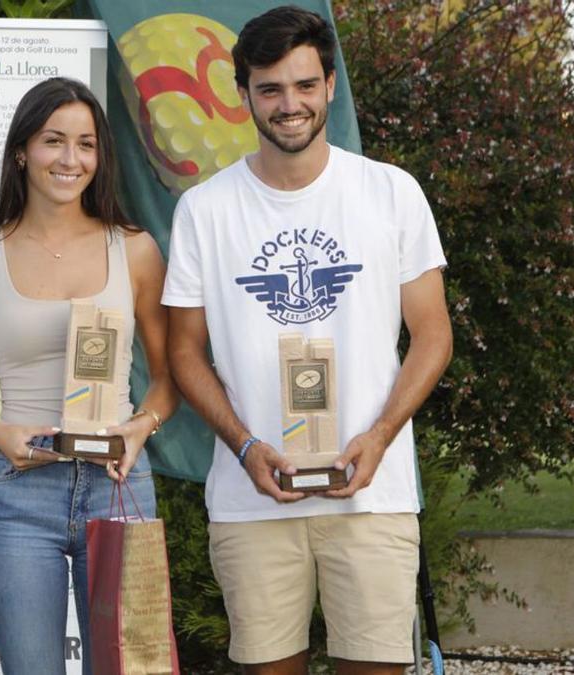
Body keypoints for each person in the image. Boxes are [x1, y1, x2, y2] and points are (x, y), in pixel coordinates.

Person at [164, 7, 453, 675]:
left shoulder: (391, 193)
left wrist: (380, 434)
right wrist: (245, 445)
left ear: (329, 85)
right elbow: (184, 352)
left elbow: (432, 335)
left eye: (303, 86)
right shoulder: (203, 211)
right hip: (253, 496)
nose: (288, 105)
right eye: (269, 88)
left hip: (370, 493)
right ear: (244, 96)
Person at [0, 77, 178, 675]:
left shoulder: (137, 250)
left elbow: (171, 378)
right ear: (22, 150)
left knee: (130, 667)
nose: (71, 159)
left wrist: (140, 427)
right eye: (53, 141)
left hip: (119, 484)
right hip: (20, 491)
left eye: (87, 144)